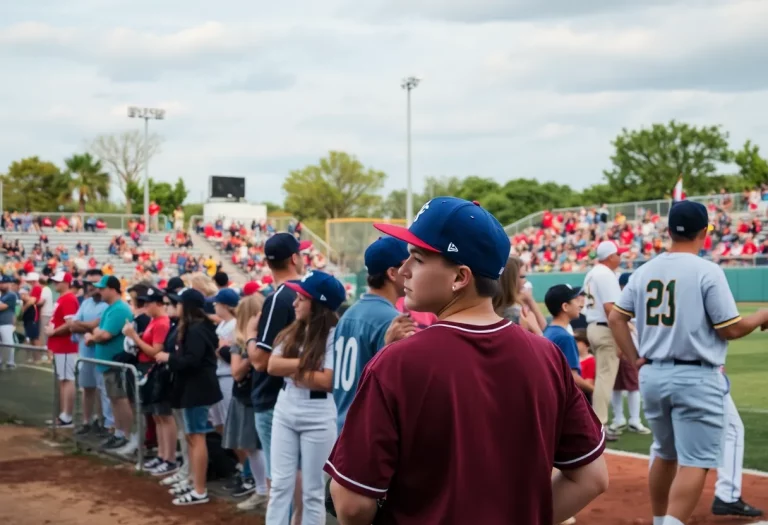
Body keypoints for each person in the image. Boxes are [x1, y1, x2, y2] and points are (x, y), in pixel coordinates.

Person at [326, 197, 608, 525]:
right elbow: (591, 478)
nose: (403, 270)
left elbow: (350, 504)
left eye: (417, 259)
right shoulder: (546, 356)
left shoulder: (396, 363)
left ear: (460, 277)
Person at [608, 200, 768, 525]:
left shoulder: (644, 270)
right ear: (704, 232)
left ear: (668, 231)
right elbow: (730, 328)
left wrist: (635, 357)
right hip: (695, 376)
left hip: (653, 373)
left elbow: (615, 318)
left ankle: (658, 519)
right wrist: (762, 315)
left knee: (665, 454)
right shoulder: (707, 270)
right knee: (695, 461)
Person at [266, 270, 346, 525]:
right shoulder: (293, 330)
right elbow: (272, 366)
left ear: (318, 303)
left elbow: (328, 381)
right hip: (286, 406)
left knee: (313, 491)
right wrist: (307, 365)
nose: (294, 302)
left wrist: (293, 369)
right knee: (280, 485)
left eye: (302, 298)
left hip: (319, 412)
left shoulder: (334, 333)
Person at [245, 233, 304, 512]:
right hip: (299, 394)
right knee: (296, 478)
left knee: (279, 481)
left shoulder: (281, 295)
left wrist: (247, 336)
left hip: (273, 397)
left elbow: (259, 360)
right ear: (294, 258)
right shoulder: (304, 293)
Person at [332, 236, 412, 433]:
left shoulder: (349, 314)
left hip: (343, 424)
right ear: (392, 273)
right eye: (407, 264)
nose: (412, 271)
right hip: (369, 429)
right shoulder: (391, 320)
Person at [155, 288, 222, 506]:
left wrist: (168, 358)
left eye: (181, 303)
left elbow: (192, 360)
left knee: (196, 437)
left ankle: (199, 489)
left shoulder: (197, 329)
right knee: (193, 437)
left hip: (198, 389)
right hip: (193, 389)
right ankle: (194, 481)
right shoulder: (198, 327)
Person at [122, 286, 177, 477]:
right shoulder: (156, 321)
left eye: (148, 303)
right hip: (150, 368)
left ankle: (168, 458)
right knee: (157, 415)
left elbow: (155, 351)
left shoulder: (161, 322)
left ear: (158, 304)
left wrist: (134, 337)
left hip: (155, 369)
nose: (145, 306)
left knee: (163, 415)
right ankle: (163, 456)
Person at [221, 293, 268, 507]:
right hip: (245, 397)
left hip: (262, 397)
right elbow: (236, 373)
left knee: (262, 448)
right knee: (251, 447)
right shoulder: (240, 341)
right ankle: (261, 490)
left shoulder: (268, 339)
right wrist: (252, 355)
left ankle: (265, 491)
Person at [85, 276, 135, 453]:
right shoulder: (110, 308)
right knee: (115, 399)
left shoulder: (119, 309)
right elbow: (99, 331)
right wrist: (95, 334)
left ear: (113, 289)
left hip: (115, 362)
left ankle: (126, 435)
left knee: (120, 399)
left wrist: (93, 336)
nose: (99, 291)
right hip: (108, 362)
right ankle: (119, 433)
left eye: (102, 288)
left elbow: (104, 334)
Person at [583, 240, 623, 441]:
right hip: (604, 328)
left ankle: (596, 423)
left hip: (593, 326)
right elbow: (611, 309)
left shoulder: (592, 272)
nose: (620, 257)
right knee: (605, 380)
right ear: (610, 257)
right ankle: (599, 425)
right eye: (618, 254)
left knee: (601, 377)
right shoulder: (605, 274)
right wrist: (621, 338)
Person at [68, 270, 110, 436]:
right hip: (85, 354)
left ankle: (103, 422)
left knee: (102, 391)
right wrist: (89, 326)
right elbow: (73, 325)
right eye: (89, 283)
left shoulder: (107, 305)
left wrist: (84, 325)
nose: (91, 287)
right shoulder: (86, 303)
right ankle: (87, 421)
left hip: (101, 355)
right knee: (88, 389)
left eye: (95, 283)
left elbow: (96, 325)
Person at [608, 272, 650, 435]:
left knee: (626, 385)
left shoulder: (628, 298)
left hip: (628, 344)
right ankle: (628, 419)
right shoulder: (626, 298)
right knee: (624, 385)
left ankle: (627, 419)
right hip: (627, 345)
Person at [543, 284, 594, 397]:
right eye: (575, 300)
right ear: (565, 306)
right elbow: (573, 377)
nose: (579, 304)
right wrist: (595, 390)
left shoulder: (549, 331)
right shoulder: (565, 337)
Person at [46, 271, 80, 428]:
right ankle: (63, 415)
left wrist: (53, 332)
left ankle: (67, 416)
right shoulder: (63, 298)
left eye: (58, 281)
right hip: (61, 346)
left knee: (67, 380)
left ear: (66, 282)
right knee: (64, 380)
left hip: (66, 345)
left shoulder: (68, 298)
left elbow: (71, 323)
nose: (55, 284)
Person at [211, 287, 238, 434]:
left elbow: (229, 353)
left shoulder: (234, 324)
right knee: (220, 421)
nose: (214, 306)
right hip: (220, 373)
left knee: (230, 420)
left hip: (229, 375)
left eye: (217, 303)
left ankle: (243, 457)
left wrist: (220, 350)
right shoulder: (222, 324)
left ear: (226, 305)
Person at [0, 275, 18, 370]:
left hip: (6, 322)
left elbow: (2, 307)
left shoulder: (11, 295)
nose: (2, 285)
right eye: (1, 283)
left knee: (8, 343)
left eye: (4, 283)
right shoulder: (2, 295)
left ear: (9, 284)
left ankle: (11, 362)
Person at [574, 329, 595, 404]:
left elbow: (589, 383)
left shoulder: (591, 360)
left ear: (586, 344)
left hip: (584, 396)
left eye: (577, 341)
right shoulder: (574, 359)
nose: (573, 343)